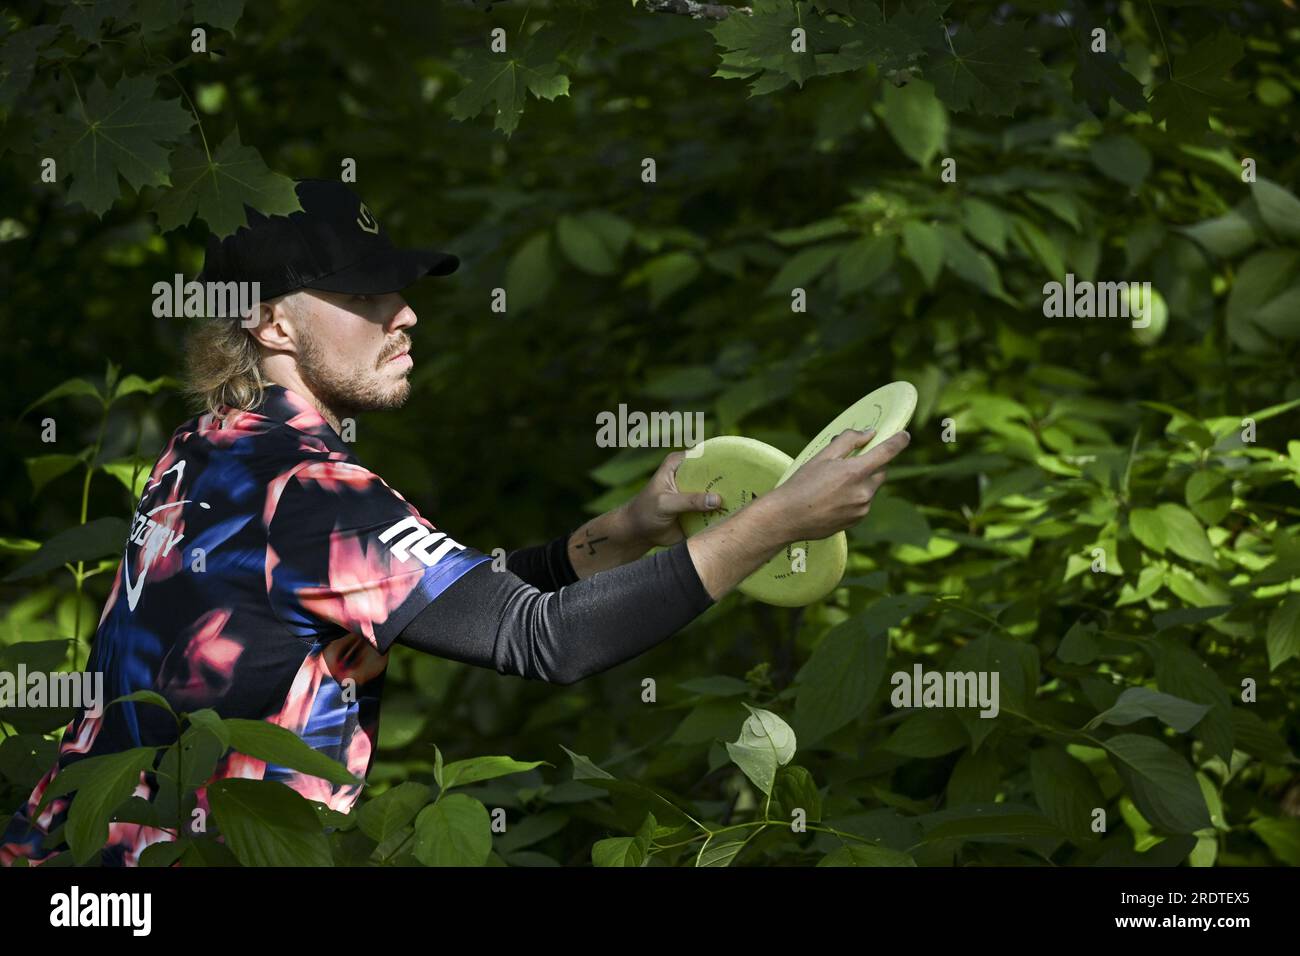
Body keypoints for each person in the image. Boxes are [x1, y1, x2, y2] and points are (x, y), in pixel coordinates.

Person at [0, 179, 910, 866]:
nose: (406, 314)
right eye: (365, 296)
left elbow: (450, 595)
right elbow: (546, 643)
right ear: (270, 322)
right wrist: (778, 522)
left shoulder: (207, 449)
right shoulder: (311, 492)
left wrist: (625, 530)